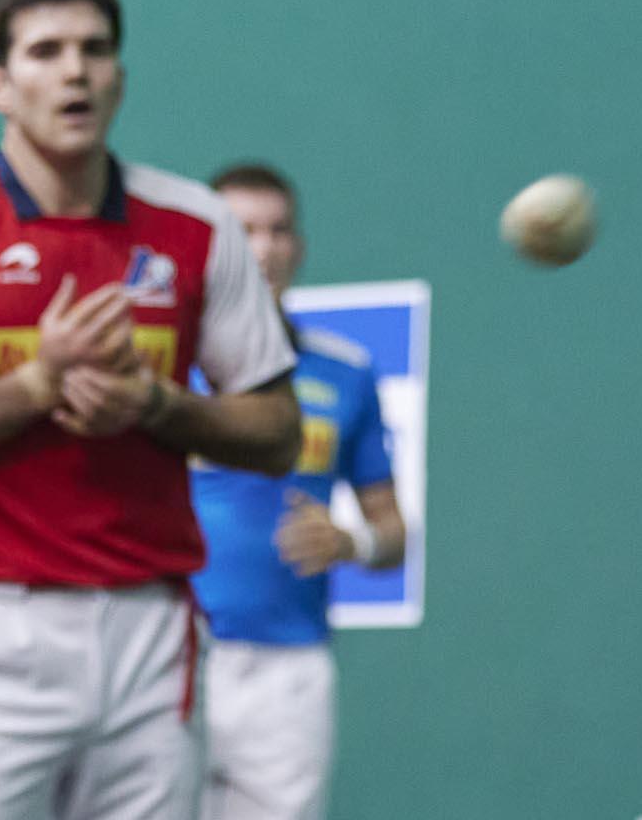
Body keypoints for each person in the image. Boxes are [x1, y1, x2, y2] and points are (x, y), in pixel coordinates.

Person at [0, 0, 303, 820]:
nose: (75, 72)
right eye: (46, 52)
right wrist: (34, 385)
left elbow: (276, 433)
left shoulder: (197, 226)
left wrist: (156, 407)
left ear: (119, 74)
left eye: (95, 50)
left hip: (151, 639)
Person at [190, 163, 407, 820]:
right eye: (243, 230)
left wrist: (353, 540)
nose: (264, 248)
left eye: (279, 230)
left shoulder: (345, 372)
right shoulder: (163, 364)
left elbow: (392, 530)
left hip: (290, 668)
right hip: (169, 650)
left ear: (300, 248)